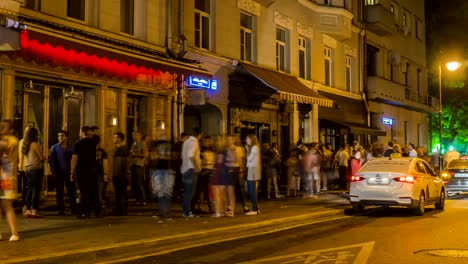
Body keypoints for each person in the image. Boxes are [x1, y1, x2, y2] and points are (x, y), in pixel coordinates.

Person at [71, 126, 98, 219]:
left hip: (82, 170)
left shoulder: (78, 143)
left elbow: (74, 158)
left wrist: (72, 172)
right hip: (92, 170)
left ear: (82, 132)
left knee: (83, 191)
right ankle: (96, 211)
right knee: (93, 191)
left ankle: (85, 212)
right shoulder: (93, 143)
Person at [0, 120, 20, 241]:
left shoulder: (12, 140)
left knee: (7, 205)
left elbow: (4, 150)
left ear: (11, 129)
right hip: (2, 176)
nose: (2, 128)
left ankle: (14, 233)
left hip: (6, 177)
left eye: (4, 126)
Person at [49, 130, 77, 216]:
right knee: (59, 192)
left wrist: (73, 172)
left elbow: (74, 159)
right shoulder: (54, 147)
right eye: (59, 136)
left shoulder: (71, 147)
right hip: (59, 172)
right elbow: (52, 161)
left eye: (62, 135)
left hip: (69, 172)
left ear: (67, 137)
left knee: (71, 191)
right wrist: (53, 172)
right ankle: (61, 210)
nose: (60, 137)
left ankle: (74, 209)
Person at [149, 138, 174, 221]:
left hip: (165, 171)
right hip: (158, 172)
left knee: (166, 193)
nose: (165, 148)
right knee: (160, 193)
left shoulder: (167, 151)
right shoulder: (154, 151)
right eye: (162, 146)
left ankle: (165, 212)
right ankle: (164, 212)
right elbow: (153, 159)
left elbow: (170, 158)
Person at [22, 127, 45, 218]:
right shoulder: (35, 144)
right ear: (34, 135)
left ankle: (28, 210)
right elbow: (41, 157)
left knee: (29, 190)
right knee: (35, 189)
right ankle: (34, 210)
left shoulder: (25, 144)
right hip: (36, 168)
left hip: (28, 168)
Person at [180, 128, 202, 218]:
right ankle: (187, 212)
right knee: (190, 192)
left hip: (185, 169)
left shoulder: (186, 142)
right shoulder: (194, 141)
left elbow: (182, 156)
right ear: (199, 135)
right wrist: (197, 166)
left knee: (187, 192)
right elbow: (191, 155)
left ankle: (186, 211)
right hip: (191, 169)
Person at [193, 136, 214, 214]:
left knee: (203, 190)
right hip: (203, 171)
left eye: (208, 141)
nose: (206, 143)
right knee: (201, 190)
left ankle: (205, 206)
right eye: (205, 141)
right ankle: (201, 206)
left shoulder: (210, 150)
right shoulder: (202, 150)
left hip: (207, 171)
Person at [227, 136, 248, 213]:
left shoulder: (240, 149)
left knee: (241, 189)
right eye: (229, 140)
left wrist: (243, 170)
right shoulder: (227, 149)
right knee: (230, 189)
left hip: (238, 170)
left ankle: (244, 205)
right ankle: (229, 206)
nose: (230, 141)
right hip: (230, 170)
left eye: (231, 139)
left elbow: (243, 160)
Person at [111, 132, 129, 216]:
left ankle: (122, 210)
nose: (114, 139)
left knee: (121, 193)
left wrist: (124, 174)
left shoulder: (122, 149)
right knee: (118, 193)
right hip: (116, 174)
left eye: (116, 137)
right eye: (113, 137)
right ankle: (119, 209)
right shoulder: (116, 149)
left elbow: (125, 163)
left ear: (120, 139)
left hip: (120, 175)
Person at [129, 131, 148, 206]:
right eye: (133, 135)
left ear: (139, 136)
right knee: (134, 183)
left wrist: (135, 154)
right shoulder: (133, 144)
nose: (134, 136)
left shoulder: (142, 143)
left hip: (139, 165)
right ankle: (137, 199)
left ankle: (143, 199)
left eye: (135, 135)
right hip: (133, 164)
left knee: (139, 183)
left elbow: (145, 154)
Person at [245, 134, 261, 216]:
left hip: (253, 170)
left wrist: (247, 150)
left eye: (247, 138)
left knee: (251, 190)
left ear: (251, 140)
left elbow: (249, 158)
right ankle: (256, 208)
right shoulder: (254, 148)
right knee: (251, 190)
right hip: (252, 170)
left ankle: (254, 209)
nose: (246, 140)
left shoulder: (254, 148)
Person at [93, 135, 108, 211]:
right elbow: (105, 163)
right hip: (99, 172)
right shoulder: (102, 151)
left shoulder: (88, 150)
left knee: (94, 190)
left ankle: (95, 205)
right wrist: (105, 173)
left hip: (92, 172)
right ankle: (99, 205)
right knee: (99, 190)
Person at [172, 133, 188, 202]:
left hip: (177, 165)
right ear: (185, 137)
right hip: (183, 165)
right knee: (183, 181)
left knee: (178, 181)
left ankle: (177, 195)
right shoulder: (184, 145)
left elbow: (173, 155)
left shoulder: (176, 144)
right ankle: (181, 196)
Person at [18, 127, 29, 216]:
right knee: (25, 187)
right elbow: (21, 155)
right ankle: (24, 206)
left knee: (29, 187)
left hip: (30, 167)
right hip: (25, 167)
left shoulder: (33, 141)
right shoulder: (22, 142)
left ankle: (28, 206)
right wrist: (21, 167)